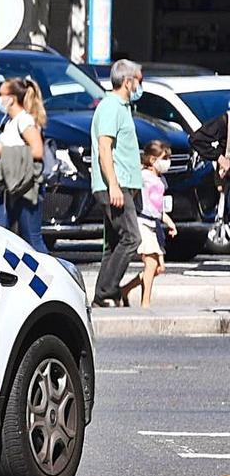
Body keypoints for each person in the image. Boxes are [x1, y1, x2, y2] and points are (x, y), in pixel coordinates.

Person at [90, 59, 144, 307]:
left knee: (114, 243)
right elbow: (104, 147)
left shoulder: (122, 107)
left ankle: (103, 295)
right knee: (132, 238)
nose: (140, 87)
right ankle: (107, 291)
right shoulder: (111, 106)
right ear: (127, 81)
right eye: (139, 81)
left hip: (123, 185)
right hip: (115, 185)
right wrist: (114, 184)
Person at [0, 76, 49, 253]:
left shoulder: (24, 120)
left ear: (12, 98)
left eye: (1, 94)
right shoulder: (10, 122)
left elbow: (38, 151)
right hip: (12, 188)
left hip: (26, 189)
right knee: (6, 235)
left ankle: (53, 276)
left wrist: (3, 151)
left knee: (32, 238)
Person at [120, 141, 177, 307]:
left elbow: (158, 209)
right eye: (164, 158)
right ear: (152, 160)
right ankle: (146, 303)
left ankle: (125, 290)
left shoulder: (160, 180)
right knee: (151, 264)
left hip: (154, 224)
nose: (167, 162)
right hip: (142, 222)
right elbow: (133, 192)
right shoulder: (143, 176)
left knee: (159, 268)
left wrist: (169, 223)